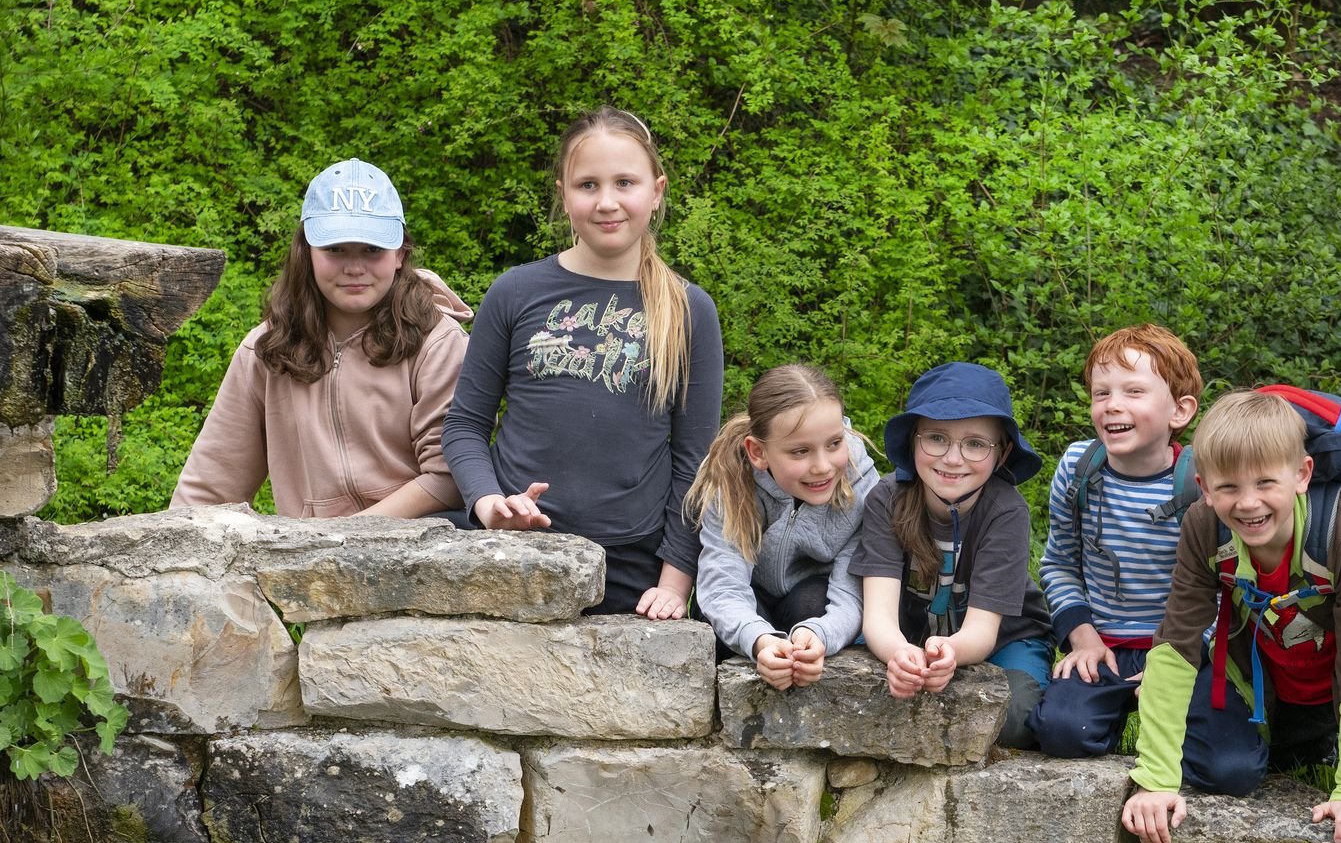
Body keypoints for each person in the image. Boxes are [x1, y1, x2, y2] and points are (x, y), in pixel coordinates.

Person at [1122, 389, 1341, 843]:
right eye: (1228, 488)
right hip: (1284, 673)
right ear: (1205, 488)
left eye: (1265, 483)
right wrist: (1155, 780)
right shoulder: (1203, 527)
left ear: (1302, 474)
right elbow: (1176, 646)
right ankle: (1323, 735)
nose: (1248, 503)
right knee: (1233, 769)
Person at [441, 107, 724, 617]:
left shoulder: (689, 309)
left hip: (631, 565)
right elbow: (464, 425)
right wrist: (487, 504)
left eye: (625, 183)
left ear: (656, 192)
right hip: (511, 547)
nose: (606, 201)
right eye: (588, 185)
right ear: (564, 194)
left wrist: (675, 581)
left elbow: (696, 461)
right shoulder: (515, 292)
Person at [172, 159, 471, 519]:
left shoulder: (439, 343)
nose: (354, 267)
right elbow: (210, 486)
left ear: (400, 254)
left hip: (421, 544)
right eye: (335, 249)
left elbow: (449, 476)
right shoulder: (265, 349)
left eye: (372, 249)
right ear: (306, 252)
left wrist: (345, 535)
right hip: (310, 550)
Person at [853, 362, 1053, 748]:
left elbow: (982, 632)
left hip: (1004, 639)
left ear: (1002, 453)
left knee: (1015, 721)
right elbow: (877, 616)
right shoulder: (886, 499)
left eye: (975, 444)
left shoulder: (1006, 510)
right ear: (913, 441)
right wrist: (899, 654)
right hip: (910, 632)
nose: (952, 458)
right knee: (876, 698)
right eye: (936, 438)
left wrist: (950, 652)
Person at [1028, 324, 1203, 757]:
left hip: (1183, 645)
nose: (1112, 405)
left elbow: (1222, 586)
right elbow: (1060, 564)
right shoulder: (1078, 468)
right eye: (1101, 393)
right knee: (1061, 731)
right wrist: (1082, 636)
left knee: (1229, 768)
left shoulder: (1202, 482)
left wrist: (1181, 655)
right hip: (1102, 643)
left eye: (1134, 392)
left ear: (1180, 411)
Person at [687, 364, 879, 688]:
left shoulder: (861, 481)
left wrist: (820, 634)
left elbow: (852, 590)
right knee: (711, 620)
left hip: (810, 601)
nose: (823, 466)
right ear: (758, 452)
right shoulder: (730, 476)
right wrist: (759, 639)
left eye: (834, 443)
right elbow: (722, 584)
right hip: (749, 596)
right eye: (800, 451)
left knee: (812, 606)